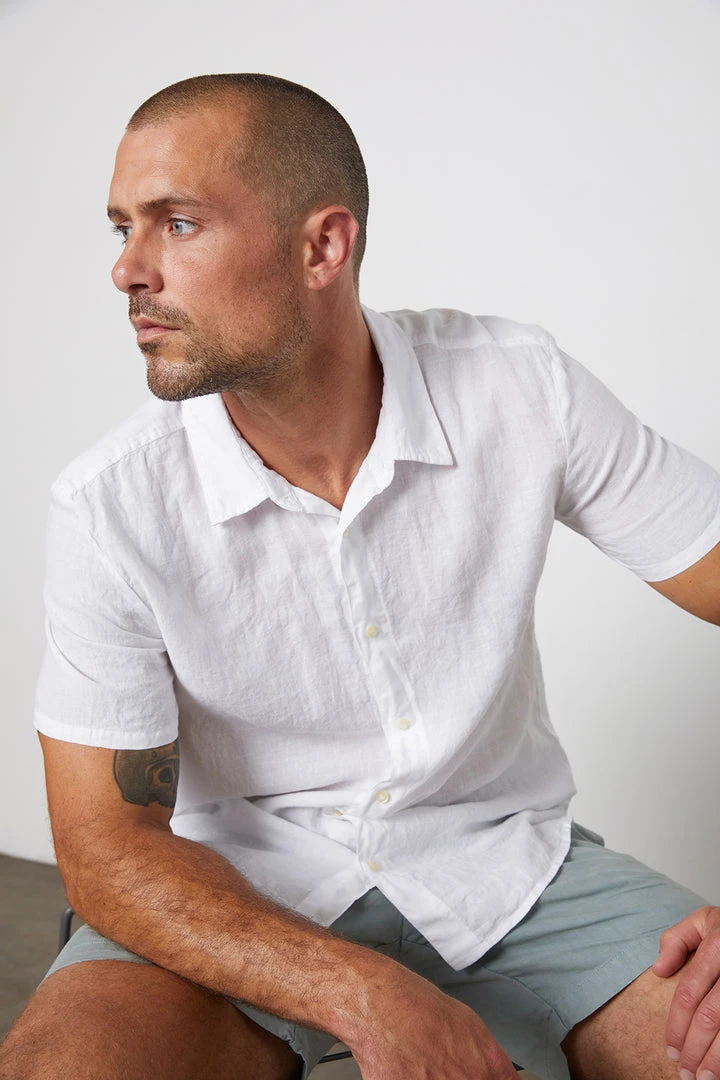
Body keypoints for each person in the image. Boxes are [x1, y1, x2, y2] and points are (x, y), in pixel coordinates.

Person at [1, 73, 719, 1080]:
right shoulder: (111, 505)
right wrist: (362, 992)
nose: (127, 268)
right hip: (235, 892)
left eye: (178, 223)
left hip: (512, 873)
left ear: (322, 247)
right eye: (123, 227)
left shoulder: (519, 387)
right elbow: (105, 846)